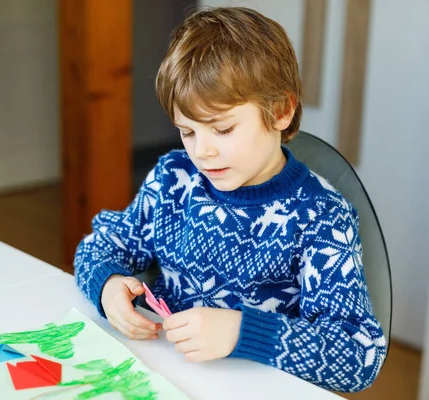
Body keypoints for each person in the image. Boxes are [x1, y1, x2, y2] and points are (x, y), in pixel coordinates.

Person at [74, 6, 386, 392]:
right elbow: (98, 248)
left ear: (281, 110)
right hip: (167, 379)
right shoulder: (174, 180)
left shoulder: (321, 216)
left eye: (222, 129)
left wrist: (245, 332)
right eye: (187, 132)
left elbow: (359, 356)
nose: (201, 152)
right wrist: (108, 286)